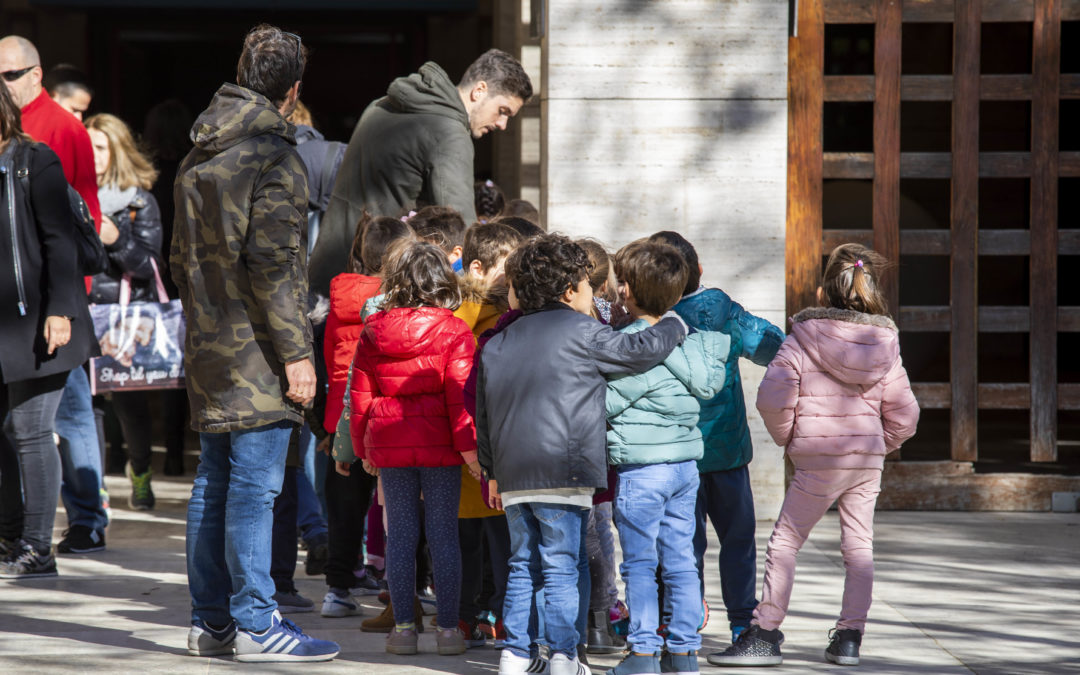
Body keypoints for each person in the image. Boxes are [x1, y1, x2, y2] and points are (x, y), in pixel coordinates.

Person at [171, 24, 338, 662]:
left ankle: (212, 623)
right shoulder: (274, 156)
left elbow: (180, 258)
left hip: (210, 343)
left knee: (216, 482)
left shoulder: (198, 152)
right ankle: (255, 624)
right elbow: (274, 267)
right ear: (293, 89)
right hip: (260, 352)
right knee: (253, 487)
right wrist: (299, 356)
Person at [475, 234, 688, 675]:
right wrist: (674, 324)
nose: (595, 295)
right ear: (571, 290)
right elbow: (637, 351)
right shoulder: (584, 331)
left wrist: (492, 470)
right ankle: (562, 657)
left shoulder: (497, 342)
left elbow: (486, 412)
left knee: (521, 565)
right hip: (564, 469)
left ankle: (515, 655)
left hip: (514, 473)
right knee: (560, 566)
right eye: (590, 287)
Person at [710, 244, 920, 668]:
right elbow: (906, 414)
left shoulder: (802, 338)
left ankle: (765, 633)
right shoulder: (886, 343)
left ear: (823, 294)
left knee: (785, 542)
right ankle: (849, 639)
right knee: (859, 547)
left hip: (816, 459)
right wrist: (880, 444)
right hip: (864, 460)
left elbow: (772, 399)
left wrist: (790, 439)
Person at [338, 240, 477, 657]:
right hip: (441, 448)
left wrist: (363, 447)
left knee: (399, 537)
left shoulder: (374, 330)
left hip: (391, 445)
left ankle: (402, 630)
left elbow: (359, 394)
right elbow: (460, 399)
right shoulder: (456, 331)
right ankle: (449, 632)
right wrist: (471, 453)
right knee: (443, 536)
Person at [649, 230, 785, 645]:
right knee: (738, 538)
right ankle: (743, 620)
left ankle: (681, 614)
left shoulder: (648, 317)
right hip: (726, 452)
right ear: (700, 270)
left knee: (678, 544)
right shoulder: (725, 311)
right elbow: (772, 346)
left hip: (674, 453)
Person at [0, 34, 107, 556]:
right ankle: (17, 530)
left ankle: (85, 519)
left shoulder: (56, 133)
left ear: (35, 74)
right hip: (15, 314)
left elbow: (75, 223)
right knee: (23, 427)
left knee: (64, 419)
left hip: (52, 309)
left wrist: (65, 304)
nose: (3, 86)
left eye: (9, 75)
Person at [309, 48, 533, 295]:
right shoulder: (449, 134)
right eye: (503, 111)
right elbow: (462, 231)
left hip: (329, 273)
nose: (502, 124)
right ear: (479, 91)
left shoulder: (381, 106)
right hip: (374, 288)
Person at [602, 241, 730, 675]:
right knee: (681, 561)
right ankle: (683, 651)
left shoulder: (625, 346)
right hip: (684, 469)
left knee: (639, 564)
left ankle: (641, 653)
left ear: (628, 292)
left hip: (642, 469)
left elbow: (605, 403)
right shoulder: (694, 344)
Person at [320, 213, 413, 620]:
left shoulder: (339, 298)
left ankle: (337, 589)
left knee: (345, 509)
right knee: (399, 509)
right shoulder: (400, 301)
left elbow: (328, 360)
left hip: (340, 417)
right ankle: (403, 589)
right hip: (386, 415)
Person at [85, 112, 163, 511]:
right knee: (87, 410)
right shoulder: (69, 195)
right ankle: (92, 485)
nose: (91, 153)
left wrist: (114, 240)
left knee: (131, 409)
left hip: (123, 320)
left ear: (116, 151)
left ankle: (141, 470)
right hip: (80, 317)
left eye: (100, 147)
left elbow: (150, 267)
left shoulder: (138, 202)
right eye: (88, 145)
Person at [454, 221, 522, 648]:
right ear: (477, 268)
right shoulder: (471, 320)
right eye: (505, 268)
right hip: (483, 448)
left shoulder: (463, 313)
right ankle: (484, 614)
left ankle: (476, 614)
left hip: (473, 449)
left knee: (486, 544)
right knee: (490, 545)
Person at [143, 98, 193, 476]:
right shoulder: (196, 170)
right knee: (184, 369)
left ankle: (127, 454)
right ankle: (178, 454)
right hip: (188, 278)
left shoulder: (145, 174)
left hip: (149, 278)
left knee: (143, 367)